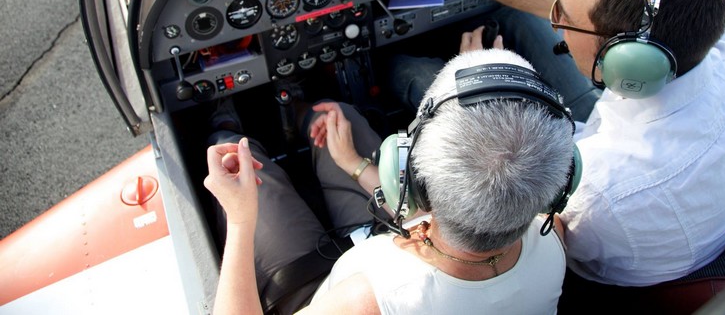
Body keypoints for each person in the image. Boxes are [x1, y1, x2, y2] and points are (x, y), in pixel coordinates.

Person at [366, 0, 725, 286]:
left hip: (568, 250)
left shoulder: (602, 195)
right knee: (515, 14)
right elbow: (571, 8)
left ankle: (386, 66)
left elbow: (486, 228)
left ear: (627, 61)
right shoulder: (723, 52)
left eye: (567, 17)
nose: (555, 21)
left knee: (414, 74)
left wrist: (471, 74)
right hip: (613, 139)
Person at [205, 48, 576, 314]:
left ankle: (222, 122)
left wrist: (240, 221)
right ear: (561, 185)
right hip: (389, 239)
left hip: (315, 291)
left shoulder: (368, 302)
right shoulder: (555, 236)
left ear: (409, 182)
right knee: (344, 118)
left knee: (241, 162)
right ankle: (300, 106)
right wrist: (351, 164)